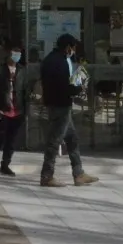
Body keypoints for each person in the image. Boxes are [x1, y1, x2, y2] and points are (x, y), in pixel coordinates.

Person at [39, 34, 99, 188]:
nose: (73, 51)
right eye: (73, 47)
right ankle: (47, 175)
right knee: (55, 141)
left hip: (54, 104)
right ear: (67, 47)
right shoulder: (61, 63)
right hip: (61, 106)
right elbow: (65, 87)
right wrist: (79, 88)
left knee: (72, 139)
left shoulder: (49, 59)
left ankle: (78, 173)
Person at [0, 41, 27, 179]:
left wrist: (24, 109)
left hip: (17, 110)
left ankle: (5, 164)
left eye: (19, 53)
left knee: (11, 140)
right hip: (2, 109)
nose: (16, 56)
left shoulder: (22, 70)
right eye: (14, 53)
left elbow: (25, 90)